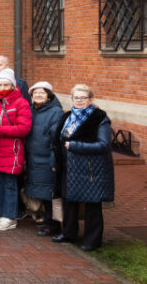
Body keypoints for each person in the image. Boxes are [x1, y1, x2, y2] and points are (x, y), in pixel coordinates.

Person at [52, 85, 114, 251]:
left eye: (83, 97)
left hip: (89, 169)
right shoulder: (67, 117)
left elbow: (104, 145)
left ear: (90, 99)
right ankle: (69, 233)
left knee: (92, 205)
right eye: (76, 97)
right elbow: (58, 141)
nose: (79, 100)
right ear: (72, 99)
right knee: (69, 201)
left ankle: (92, 241)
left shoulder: (99, 119)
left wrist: (75, 145)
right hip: (67, 166)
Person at [0, 68, 32, 231]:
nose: (2, 88)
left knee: (10, 184)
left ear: (13, 86)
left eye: (6, 84)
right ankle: (3, 214)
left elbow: (23, 128)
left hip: (12, 151)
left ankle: (10, 216)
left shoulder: (21, 103)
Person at [25, 81, 65, 236]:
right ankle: (47, 222)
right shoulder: (32, 110)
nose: (38, 95)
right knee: (42, 193)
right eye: (35, 93)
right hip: (34, 158)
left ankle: (53, 225)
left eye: (42, 92)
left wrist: (54, 159)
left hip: (47, 158)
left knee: (50, 194)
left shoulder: (55, 112)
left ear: (49, 95)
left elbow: (56, 139)